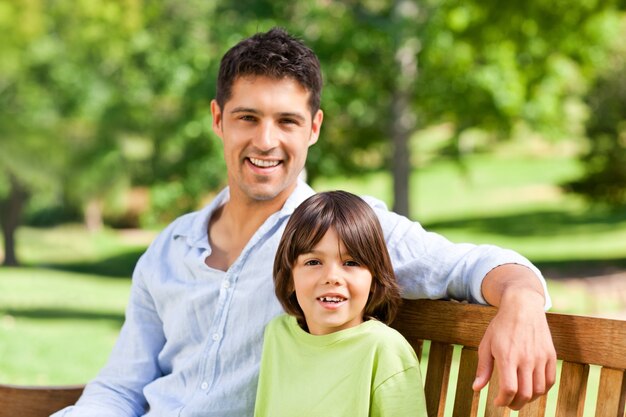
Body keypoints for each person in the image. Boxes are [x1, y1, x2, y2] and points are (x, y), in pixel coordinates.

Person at [53, 27, 555, 417]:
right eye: (247, 117)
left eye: (287, 121)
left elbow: (470, 266)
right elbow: (121, 387)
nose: (266, 141)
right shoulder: (170, 246)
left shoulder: (340, 235)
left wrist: (523, 299)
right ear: (217, 119)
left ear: (313, 127)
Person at [254, 191, 427, 417]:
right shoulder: (278, 334)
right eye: (313, 262)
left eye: (350, 262)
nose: (332, 277)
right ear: (289, 278)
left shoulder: (384, 349)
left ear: (375, 277)